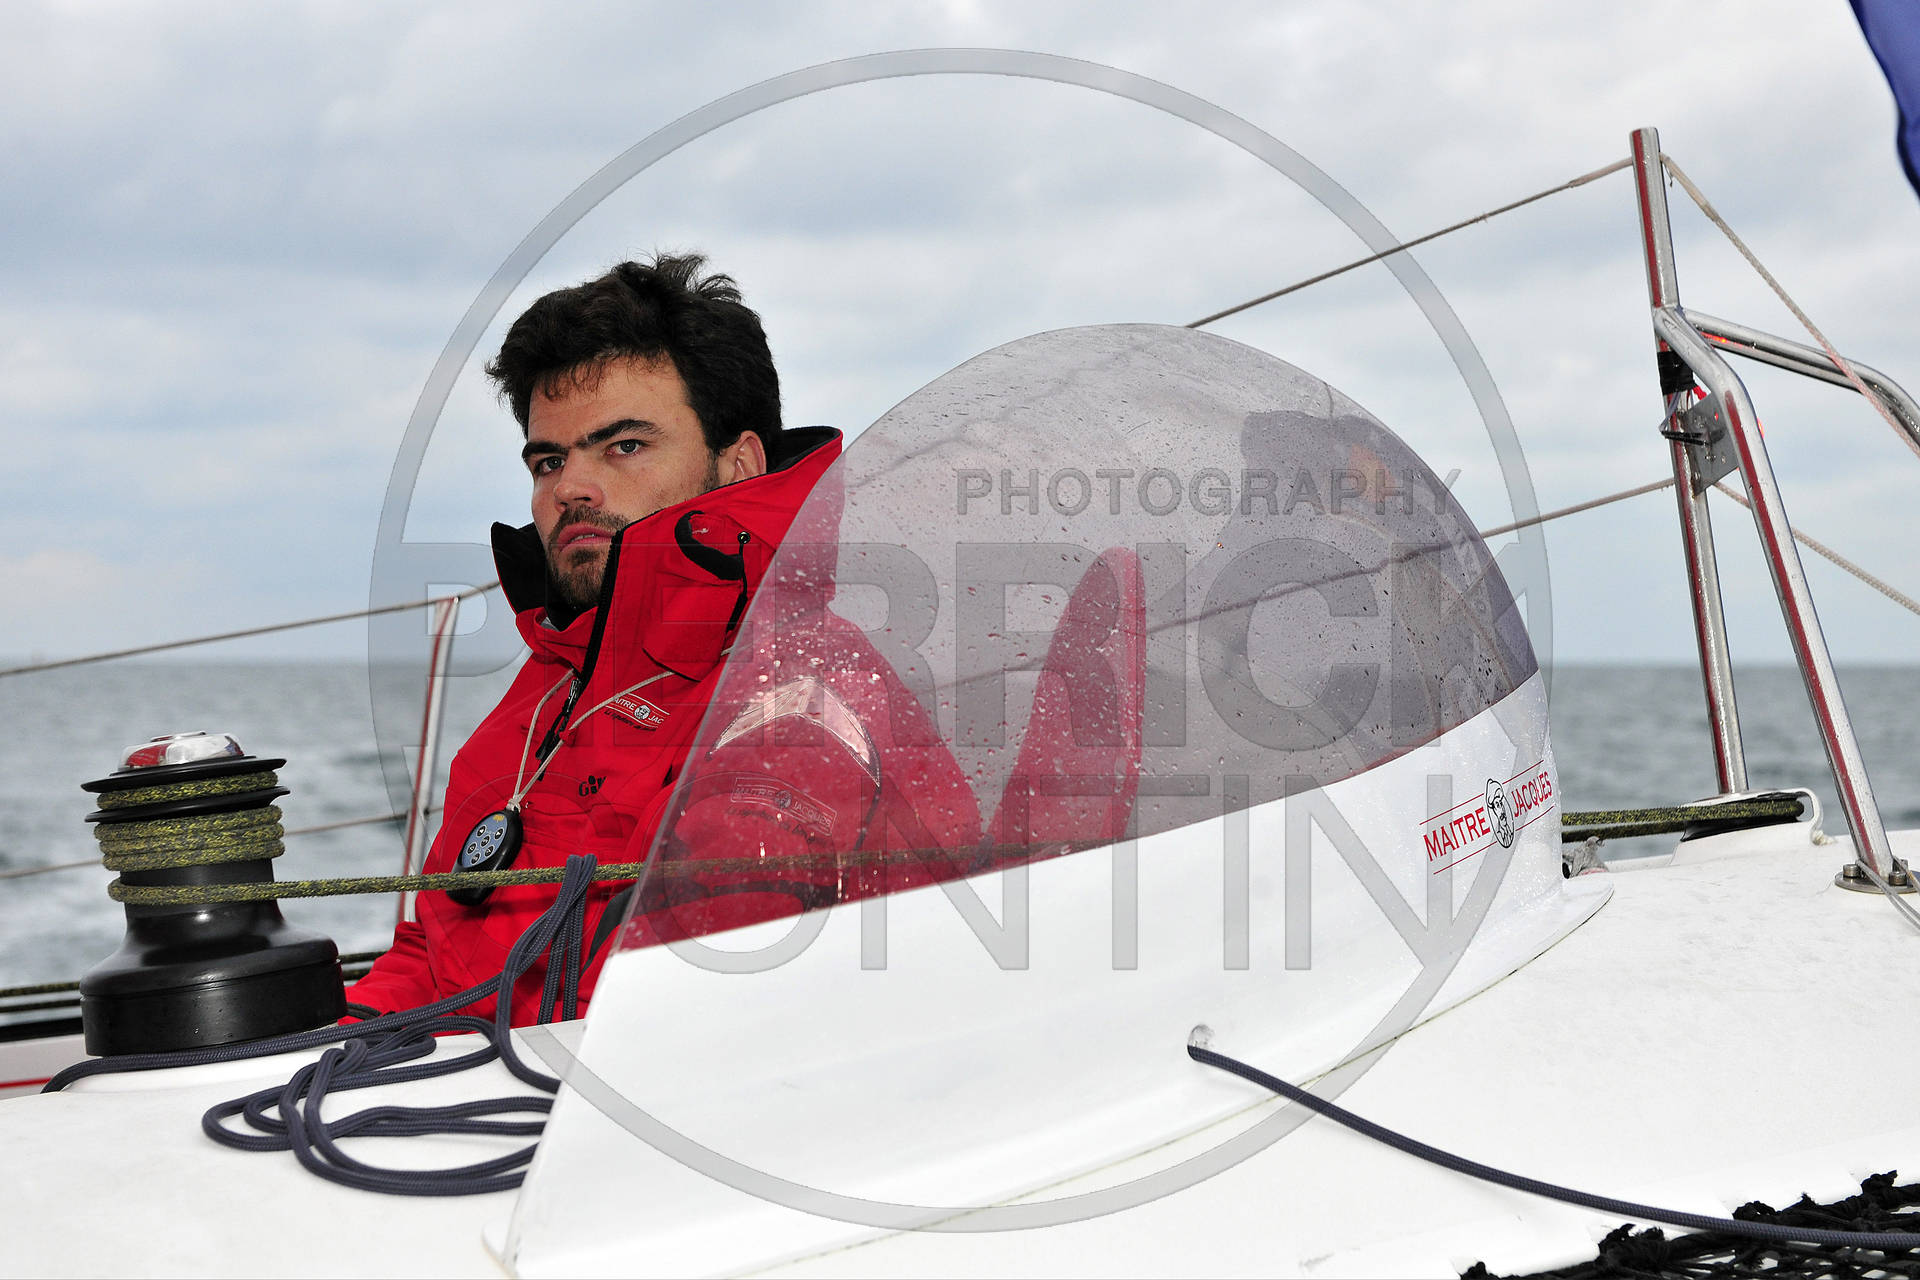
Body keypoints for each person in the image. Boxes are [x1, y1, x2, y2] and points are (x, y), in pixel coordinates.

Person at [345, 254, 846, 1023]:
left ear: (739, 464)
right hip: (481, 1079)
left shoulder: (809, 683)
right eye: (549, 460)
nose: (569, 488)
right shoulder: (543, 691)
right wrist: (331, 1045)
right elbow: (430, 952)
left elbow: (688, 1010)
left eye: (624, 446)